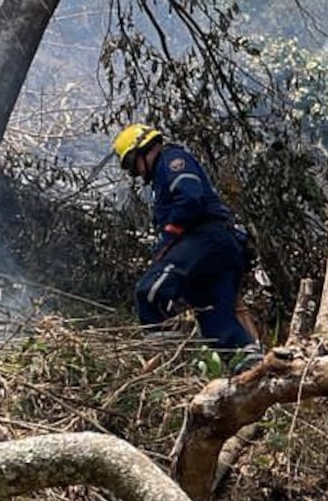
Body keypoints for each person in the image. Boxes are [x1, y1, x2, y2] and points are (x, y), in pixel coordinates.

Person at [111, 122, 264, 374]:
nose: (136, 173)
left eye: (132, 164)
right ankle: (254, 371)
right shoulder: (163, 173)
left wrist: (168, 240)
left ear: (142, 150)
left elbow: (190, 199)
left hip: (205, 238)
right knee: (215, 320)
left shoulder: (172, 160)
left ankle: (166, 363)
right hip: (220, 249)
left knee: (150, 291)